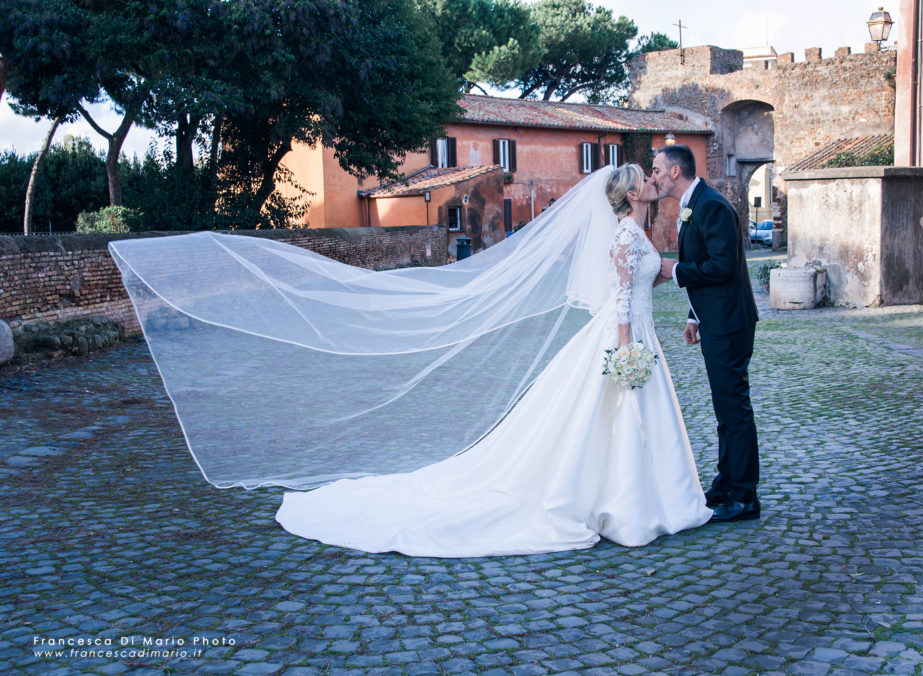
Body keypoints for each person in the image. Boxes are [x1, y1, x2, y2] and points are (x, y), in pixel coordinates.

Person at [273, 164, 712, 556]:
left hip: (640, 330)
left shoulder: (638, 234)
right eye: (645, 178)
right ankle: (623, 505)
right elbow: (619, 298)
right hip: (626, 337)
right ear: (632, 194)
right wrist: (626, 349)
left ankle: (647, 500)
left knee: (630, 417)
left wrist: (667, 284)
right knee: (612, 415)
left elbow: (639, 284)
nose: (653, 181)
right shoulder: (624, 236)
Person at [652, 145, 761, 523]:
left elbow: (722, 266)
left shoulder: (711, 205)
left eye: (658, 170)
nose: (654, 177)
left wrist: (675, 270)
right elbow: (711, 273)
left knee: (734, 409)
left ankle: (745, 497)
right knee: (724, 409)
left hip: (731, 323)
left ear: (676, 171)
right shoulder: (694, 205)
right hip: (714, 318)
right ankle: (727, 481)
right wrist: (694, 316)